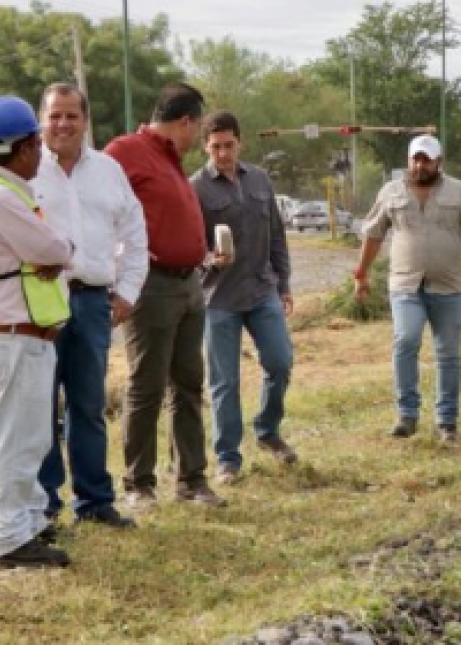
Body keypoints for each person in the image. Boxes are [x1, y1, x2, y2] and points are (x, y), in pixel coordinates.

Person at [0, 95, 75, 568]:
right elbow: (56, 246)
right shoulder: (1, 197)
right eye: (37, 144)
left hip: (18, 334)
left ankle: (28, 525)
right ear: (24, 147)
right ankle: (10, 539)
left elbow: (46, 252)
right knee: (18, 443)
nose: (43, 153)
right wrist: (53, 252)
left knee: (31, 439)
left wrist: (47, 255)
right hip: (16, 335)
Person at [105, 82, 226, 508]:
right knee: (146, 387)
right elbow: (98, 205)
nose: (196, 140)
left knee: (189, 384)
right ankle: (138, 484)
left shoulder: (170, 160)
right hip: (150, 286)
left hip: (189, 285)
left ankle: (191, 480)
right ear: (186, 121)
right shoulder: (126, 151)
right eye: (197, 128)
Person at [32, 83, 147, 528]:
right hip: (41, 304)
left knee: (88, 407)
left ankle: (95, 502)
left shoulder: (108, 171)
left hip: (94, 303)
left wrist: (129, 292)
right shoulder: (24, 170)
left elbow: (135, 232)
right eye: (54, 115)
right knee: (41, 407)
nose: (62, 124)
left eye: (71, 116)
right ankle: (44, 505)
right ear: (42, 120)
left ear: (85, 121)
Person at [353, 134, 461, 443]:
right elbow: (374, 234)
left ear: (438, 162)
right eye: (416, 158)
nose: (420, 164)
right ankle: (407, 414)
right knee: (406, 339)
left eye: (426, 159)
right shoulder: (391, 192)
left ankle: (447, 422)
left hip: (448, 287)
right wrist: (361, 273)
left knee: (448, 353)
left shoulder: (460, 192)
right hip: (404, 285)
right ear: (408, 160)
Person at [190, 111, 297, 486]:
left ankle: (267, 430)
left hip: (262, 289)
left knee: (281, 361)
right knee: (224, 382)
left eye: (229, 145)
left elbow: (277, 236)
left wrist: (284, 285)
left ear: (240, 142)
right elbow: (189, 248)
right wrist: (209, 260)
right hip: (218, 298)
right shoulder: (196, 189)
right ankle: (228, 458)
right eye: (215, 146)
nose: (223, 153)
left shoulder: (261, 180)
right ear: (205, 146)